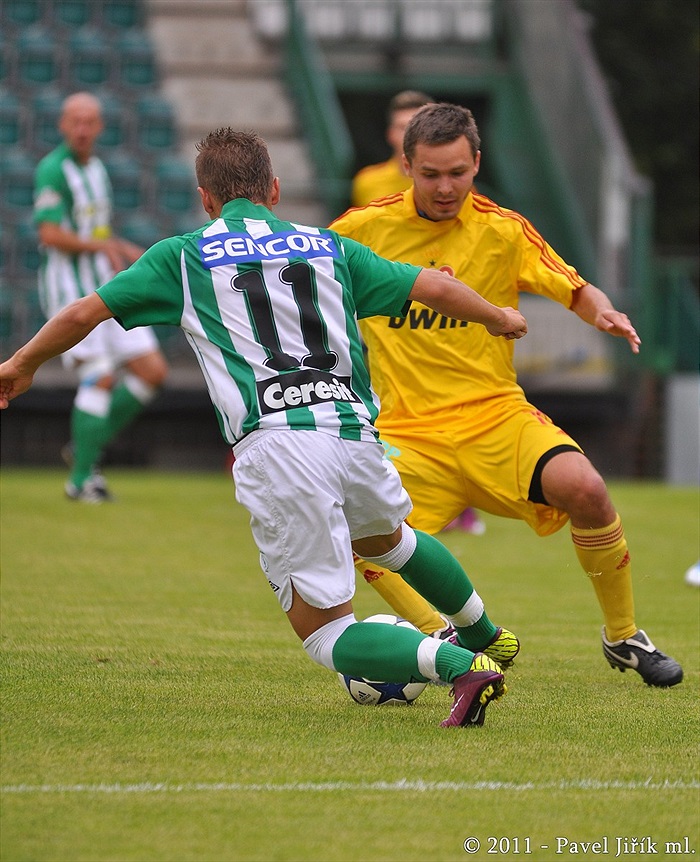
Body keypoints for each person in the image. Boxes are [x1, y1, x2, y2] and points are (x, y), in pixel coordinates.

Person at [0, 128, 531, 727]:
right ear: (274, 190)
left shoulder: (184, 255)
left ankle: (463, 667)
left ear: (206, 199)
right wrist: (497, 316)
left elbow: (82, 313)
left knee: (325, 633)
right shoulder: (328, 246)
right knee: (391, 541)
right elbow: (431, 285)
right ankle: (485, 633)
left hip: (279, 443)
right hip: (353, 430)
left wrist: (21, 365)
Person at [330, 103, 683, 688]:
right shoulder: (360, 228)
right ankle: (442, 635)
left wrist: (603, 312)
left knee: (587, 489)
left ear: (476, 163)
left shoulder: (504, 229)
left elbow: (573, 288)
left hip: (495, 416)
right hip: (407, 430)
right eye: (431, 174)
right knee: (358, 538)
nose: (446, 188)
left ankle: (623, 636)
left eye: (457, 173)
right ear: (406, 166)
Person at [352, 89, 486, 537]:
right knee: (387, 402)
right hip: (392, 306)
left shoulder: (452, 183)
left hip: (442, 303)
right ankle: (403, 498)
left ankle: (464, 499)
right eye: (400, 124)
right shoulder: (369, 184)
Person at [33, 91, 168, 502]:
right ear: (62, 124)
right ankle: (80, 482)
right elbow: (49, 234)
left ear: (100, 127)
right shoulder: (53, 169)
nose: (82, 129)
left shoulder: (97, 169)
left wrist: (119, 246)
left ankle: (83, 449)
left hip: (105, 285)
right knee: (101, 374)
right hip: (69, 290)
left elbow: (97, 231)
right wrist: (102, 246)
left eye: (89, 121)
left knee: (152, 371)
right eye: (75, 121)